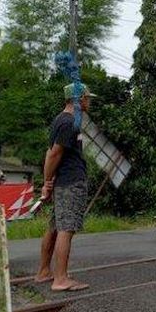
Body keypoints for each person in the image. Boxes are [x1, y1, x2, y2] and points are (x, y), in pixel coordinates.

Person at [34, 83, 95, 292]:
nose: (89, 102)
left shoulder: (61, 120)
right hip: (70, 182)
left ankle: (44, 271)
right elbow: (54, 154)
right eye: (87, 98)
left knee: (55, 226)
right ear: (78, 99)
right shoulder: (68, 122)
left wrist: (49, 181)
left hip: (63, 181)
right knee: (66, 229)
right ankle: (60, 279)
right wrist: (47, 181)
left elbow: (50, 152)